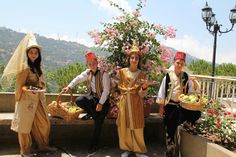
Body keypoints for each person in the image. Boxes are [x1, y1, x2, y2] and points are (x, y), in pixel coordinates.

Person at [1, 33, 56, 157]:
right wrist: (28, 90)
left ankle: (43, 145)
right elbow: (20, 85)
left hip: (38, 100)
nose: (33, 55)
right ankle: (25, 151)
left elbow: (40, 82)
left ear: (38, 54)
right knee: (24, 126)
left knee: (44, 123)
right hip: (26, 101)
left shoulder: (38, 67)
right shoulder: (24, 68)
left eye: (35, 53)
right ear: (27, 53)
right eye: (31, 52)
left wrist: (40, 88)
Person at [61, 51, 110, 156]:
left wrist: (101, 104)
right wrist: (69, 86)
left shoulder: (104, 74)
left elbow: (106, 91)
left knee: (98, 122)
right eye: (89, 63)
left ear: (97, 62)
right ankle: (93, 115)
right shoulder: (88, 73)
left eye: (93, 63)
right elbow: (78, 78)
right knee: (79, 100)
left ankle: (94, 143)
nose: (92, 65)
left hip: (103, 101)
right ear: (88, 64)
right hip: (93, 98)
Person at [156, 51, 201, 157]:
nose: (180, 65)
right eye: (178, 63)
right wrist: (161, 108)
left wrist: (194, 83)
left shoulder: (185, 76)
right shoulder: (167, 77)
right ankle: (170, 151)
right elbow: (162, 93)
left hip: (182, 106)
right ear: (174, 62)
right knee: (170, 129)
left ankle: (186, 124)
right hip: (170, 106)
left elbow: (191, 91)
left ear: (184, 64)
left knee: (196, 114)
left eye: (182, 63)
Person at [116, 43, 156, 157]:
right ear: (129, 59)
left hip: (136, 102)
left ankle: (139, 151)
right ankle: (126, 148)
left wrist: (144, 87)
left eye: (136, 58)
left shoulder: (142, 74)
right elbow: (117, 87)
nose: (134, 60)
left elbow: (141, 94)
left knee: (137, 125)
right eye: (132, 58)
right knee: (124, 125)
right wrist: (117, 98)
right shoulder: (122, 72)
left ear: (139, 60)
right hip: (124, 102)